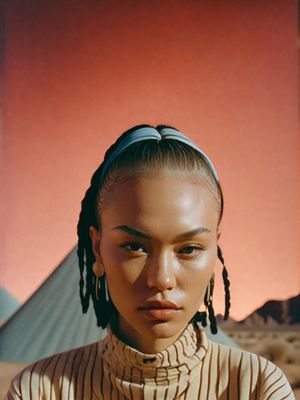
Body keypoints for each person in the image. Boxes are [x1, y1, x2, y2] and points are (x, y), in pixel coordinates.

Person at [6, 125, 295, 399]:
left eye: (189, 249)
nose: (161, 279)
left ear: (214, 250)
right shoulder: (40, 390)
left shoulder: (257, 387)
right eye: (134, 247)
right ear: (97, 248)